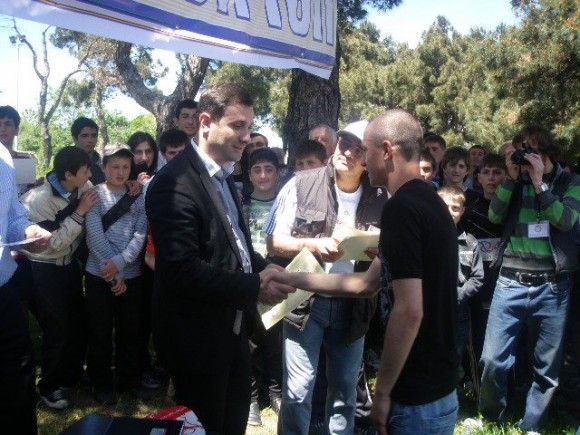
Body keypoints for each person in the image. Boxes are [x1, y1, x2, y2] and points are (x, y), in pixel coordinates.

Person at [265, 109, 459, 435]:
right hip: (439, 386)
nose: (363, 160)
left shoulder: (400, 208)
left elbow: (409, 311)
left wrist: (381, 393)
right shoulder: (430, 201)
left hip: (415, 395)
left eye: (366, 150)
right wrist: (292, 278)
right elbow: (367, 283)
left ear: (387, 150)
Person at [146, 83, 294, 434]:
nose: (246, 137)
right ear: (205, 122)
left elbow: (233, 243)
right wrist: (255, 286)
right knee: (208, 426)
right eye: (238, 125)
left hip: (233, 330)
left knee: (233, 423)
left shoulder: (224, 176)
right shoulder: (173, 183)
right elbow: (182, 270)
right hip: (197, 340)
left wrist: (264, 267)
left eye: (249, 126)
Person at [265, 120, 386, 434]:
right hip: (305, 301)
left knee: (345, 391)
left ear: (369, 157)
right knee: (297, 391)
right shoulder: (300, 183)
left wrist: (380, 250)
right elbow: (273, 242)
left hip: (354, 304)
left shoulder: (382, 195)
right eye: (345, 143)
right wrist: (313, 245)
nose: (348, 152)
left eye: (359, 148)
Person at [479, 126, 580, 432]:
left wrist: (539, 184)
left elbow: (566, 220)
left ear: (547, 152)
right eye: (521, 149)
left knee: (546, 368)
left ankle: (532, 425)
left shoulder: (571, 182)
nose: (525, 156)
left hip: (552, 286)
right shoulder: (515, 182)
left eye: (531, 150)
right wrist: (511, 178)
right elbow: (495, 216)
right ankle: (491, 418)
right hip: (510, 281)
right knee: (493, 360)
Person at [20, 146, 98, 409]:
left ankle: (71, 375)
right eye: (85, 171)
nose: (89, 176)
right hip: (45, 268)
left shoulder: (82, 185)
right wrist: (80, 212)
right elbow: (52, 244)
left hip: (69, 265)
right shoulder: (39, 200)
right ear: (68, 175)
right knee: (57, 328)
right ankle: (50, 386)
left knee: (78, 323)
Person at [84, 143, 148, 406]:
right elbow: (93, 235)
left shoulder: (138, 196)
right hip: (99, 275)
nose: (120, 172)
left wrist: (120, 264)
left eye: (125, 167)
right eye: (115, 166)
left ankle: (128, 380)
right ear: (104, 167)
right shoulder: (93, 195)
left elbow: (140, 234)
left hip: (131, 276)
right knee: (99, 331)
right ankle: (100, 383)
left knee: (129, 331)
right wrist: (112, 274)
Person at [0, 140, 51, 434]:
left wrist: (28, 231)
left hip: (3, 291)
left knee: (18, 379)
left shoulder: (2, 156)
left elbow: (12, 217)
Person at [241, 147, 283, 426]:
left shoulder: (286, 203)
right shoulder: (241, 205)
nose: (263, 175)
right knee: (250, 341)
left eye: (269, 169)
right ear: (249, 175)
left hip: (279, 278)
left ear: (278, 172)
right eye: (257, 170)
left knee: (276, 340)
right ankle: (252, 397)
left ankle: (277, 392)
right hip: (250, 279)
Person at [460, 153, 506, 362]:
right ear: (478, 177)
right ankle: (476, 374)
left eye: (497, 172)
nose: (491, 178)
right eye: (486, 172)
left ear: (506, 176)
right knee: (478, 332)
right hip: (478, 280)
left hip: (505, 280)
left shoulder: (513, 208)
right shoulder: (469, 209)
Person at [438, 186, 484, 393]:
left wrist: (457, 295)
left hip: (459, 313)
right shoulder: (426, 237)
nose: (449, 212)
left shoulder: (470, 243)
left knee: (456, 355)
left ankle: (454, 394)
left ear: (463, 211)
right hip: (431, 312)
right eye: (444, 206)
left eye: (455, 208)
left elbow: (477, 277)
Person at [71, 117, 105, 185]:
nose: (90, 140)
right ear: (75, 139)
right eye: (84, 136)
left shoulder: (103, 163)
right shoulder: (65, 162)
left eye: (94, 135)